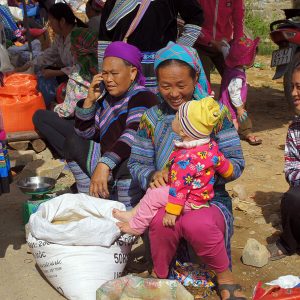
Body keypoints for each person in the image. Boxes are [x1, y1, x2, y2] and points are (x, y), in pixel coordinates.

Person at [128, 42, 245, 299]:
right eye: (165, 86)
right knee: (160, 222)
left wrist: (206, 171)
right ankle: (163, 277)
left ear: (196, 78)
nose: (173, 93)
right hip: (167, 198)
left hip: (209, 199)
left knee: (198, 223)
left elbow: (236, 163)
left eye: (181, 85)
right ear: (155, 83)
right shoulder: (151, 118)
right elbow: (136, 163)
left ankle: (224, 277)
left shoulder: (214, 114)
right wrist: (152, 176)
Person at [113, 97, 234, 236]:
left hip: (190, 199)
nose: (173, 119)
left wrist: (172, 211)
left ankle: (137, 226)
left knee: (153, 196)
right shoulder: (210, 146)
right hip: (200, 195)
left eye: (176, 118)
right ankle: (133, 214)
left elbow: (180, 186)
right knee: (154, 189)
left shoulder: (185, 159)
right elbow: (223, 163)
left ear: (182, 131)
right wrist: (228, 170)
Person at [64, 41, 159, 209]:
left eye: (114, 73)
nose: (108, 79)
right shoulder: (107, 99)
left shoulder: (142, 97)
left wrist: (104, 163)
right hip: (108, 162)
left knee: (130, 160)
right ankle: (91, 199)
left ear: (132, 73)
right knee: (73, 140)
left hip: (128, 165)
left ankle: (126, 208)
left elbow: (133, 135)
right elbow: (85, 134)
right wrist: (89, 101)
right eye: (105, 73)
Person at [98, 0, 204, 91]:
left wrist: (176, 52)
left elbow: (195, 18)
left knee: (155, 109)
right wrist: (102, 72)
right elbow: (105, 38)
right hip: (120, 67)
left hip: (158, 67)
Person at [32, 27, 98, 157]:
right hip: (101, 124)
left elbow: (68, 111)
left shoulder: (78, 74)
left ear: (75, 49)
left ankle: (70, 153)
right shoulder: (103, 66)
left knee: (39, 116)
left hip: (85, 127)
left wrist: (54, 108)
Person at [17, 3, 87, 106]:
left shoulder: (79, 38)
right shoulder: (60, 37)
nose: (49, 24)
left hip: (83, 83)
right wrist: (27, 66)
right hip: (69, 77)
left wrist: (55, 73)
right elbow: (49, 54)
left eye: (51, 21)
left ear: (62, 21)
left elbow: (81, 68)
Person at [267, 65, 300, 261]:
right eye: (292, 87)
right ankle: (289, 243)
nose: (294, 93)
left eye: (299, 87)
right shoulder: (295, 129)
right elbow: (292, 167)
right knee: (293, 199)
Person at [219, 36, 262, 146]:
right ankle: (238, 137)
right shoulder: (238, 76)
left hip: (225, 102)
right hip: (233, 105)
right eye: (253, 57)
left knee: (228, 121)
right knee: (236, 120)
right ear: (246, 59)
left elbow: (225, 49)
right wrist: (239, 109)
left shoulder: (230, 61)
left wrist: (223, 43)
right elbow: (233, 93)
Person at [195, 0, 245, 82]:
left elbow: (238, 22)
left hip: (224, 46)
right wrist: (211, 41)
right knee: (203, 84)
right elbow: (193, 22)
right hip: (201, 45)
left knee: (234, 80)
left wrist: (237, 46)